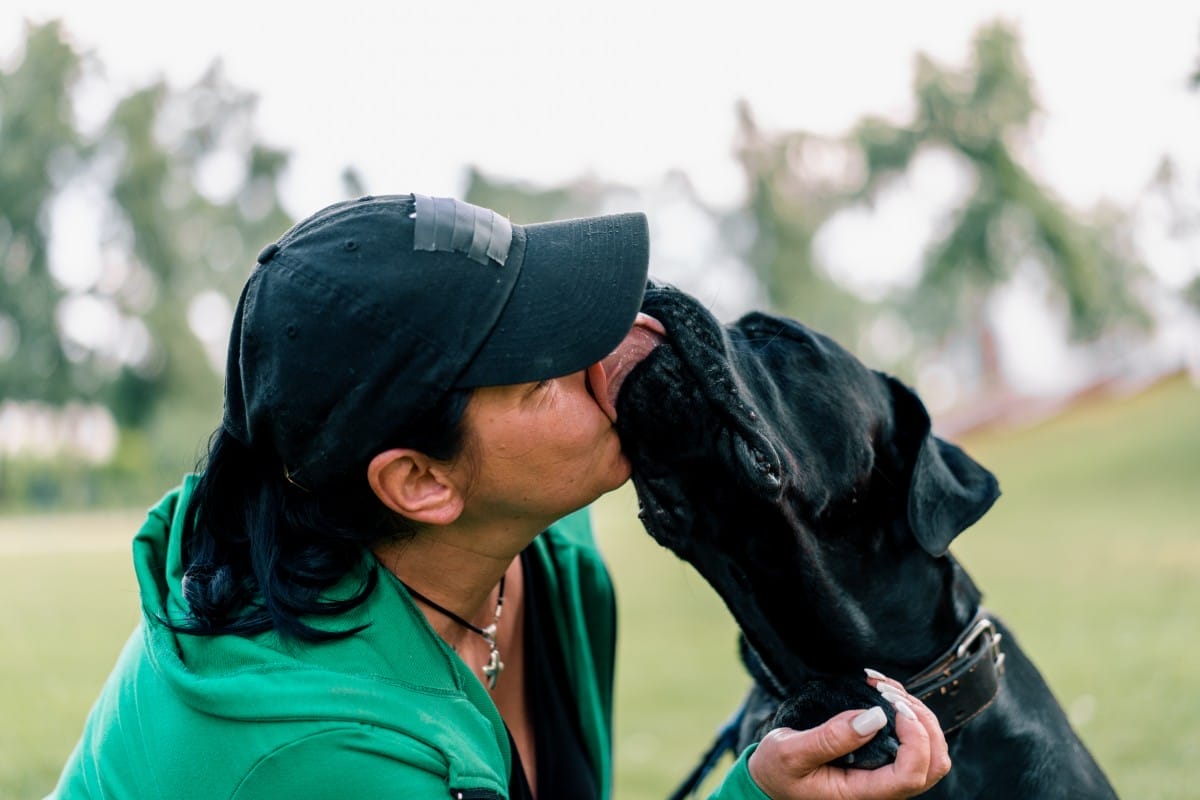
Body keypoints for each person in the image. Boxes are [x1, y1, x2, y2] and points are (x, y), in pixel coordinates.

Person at [51, 193, 950, 799]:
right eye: (538, 373)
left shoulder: (540, 548)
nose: (616, 348)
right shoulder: (325, 752)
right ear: (420, 481)